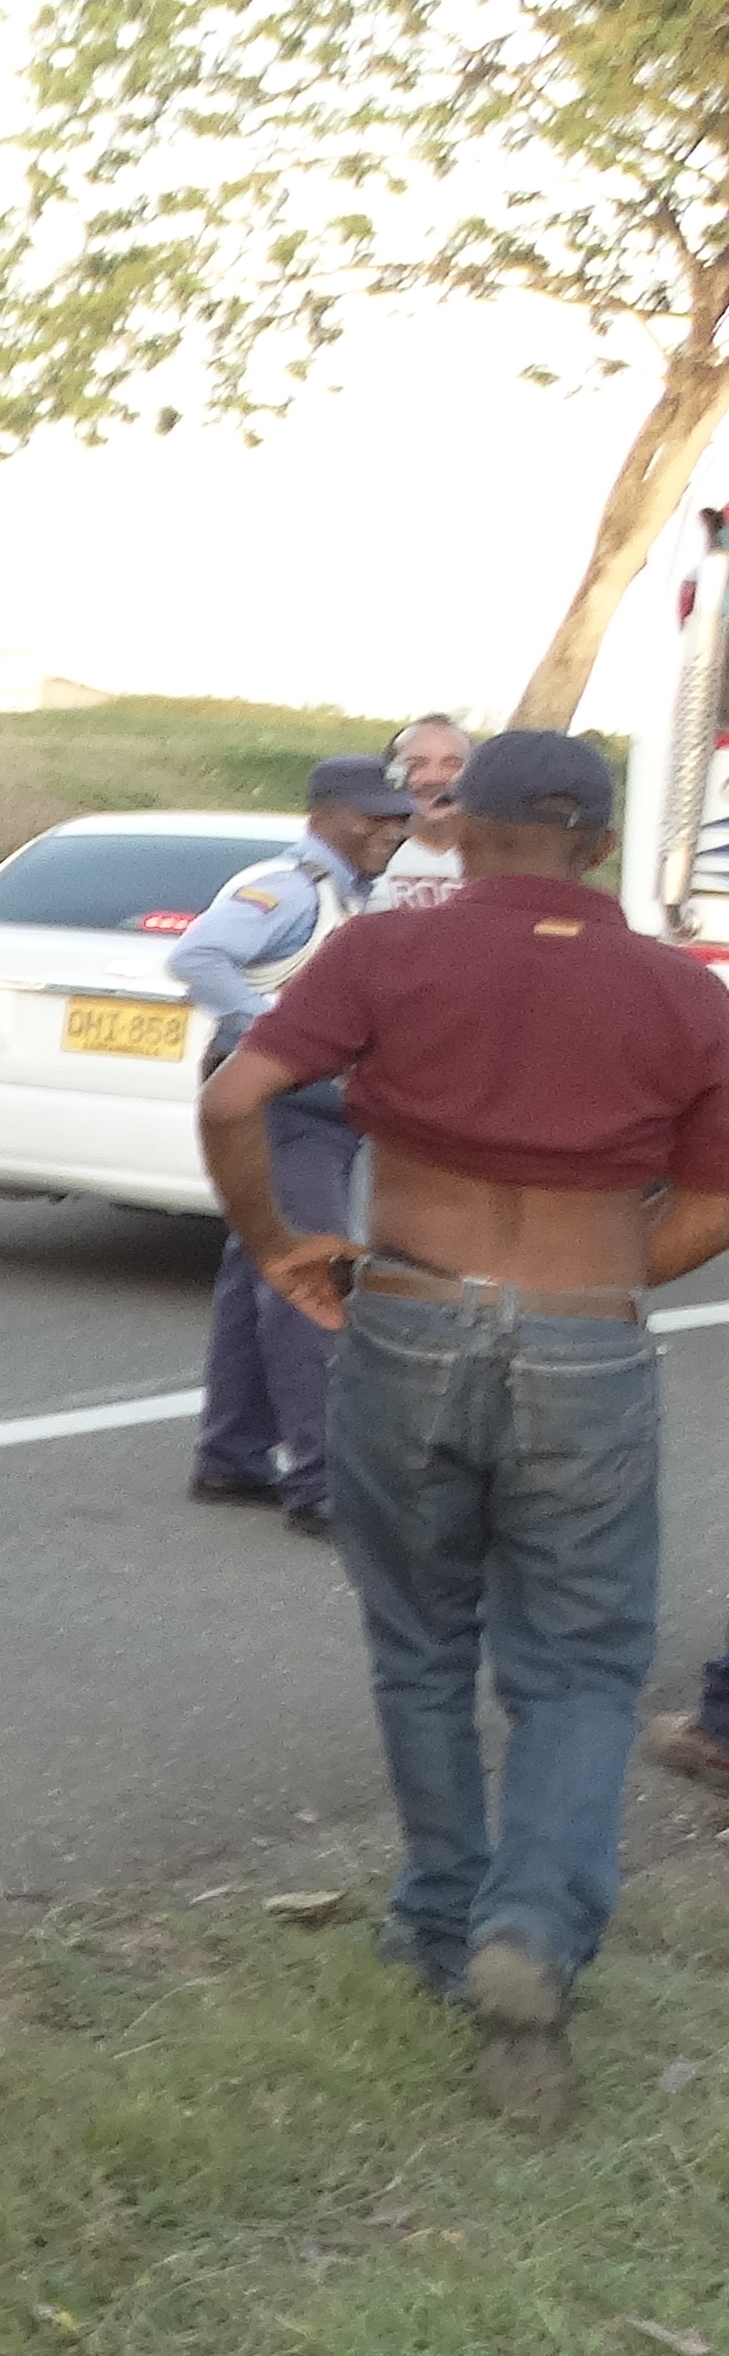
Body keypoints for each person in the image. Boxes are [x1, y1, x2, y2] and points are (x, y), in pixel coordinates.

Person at [203, 730, 729, 2127]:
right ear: (603, 847)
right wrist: (600, 1275)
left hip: (411, 1315)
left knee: (425, 1637)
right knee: (581, 1668)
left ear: (458, 830)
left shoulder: (386, 950)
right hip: (583, 1338)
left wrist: (278, 1246)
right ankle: (533, 1940)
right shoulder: (686, 994)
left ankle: (441, 1916)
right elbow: (716, 1202)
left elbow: (235, 1095)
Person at [167, 756, 413, 1539]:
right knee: (312, 1278)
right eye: (372, 816)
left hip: (304, 1103)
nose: (390, 830)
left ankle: (233, 1455)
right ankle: (322, 1481)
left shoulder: (348, 894)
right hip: (287, 1104)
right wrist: (275, 1032)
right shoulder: (291, 886)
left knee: (260, 1270)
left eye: (399, 816)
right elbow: (197, 955)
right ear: (324, 814)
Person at [367, 714, 473, 909]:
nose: (434, 778)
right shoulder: (362, 858)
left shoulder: (504, 860)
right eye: (416, 765)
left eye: (452, 764)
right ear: (391, 774)